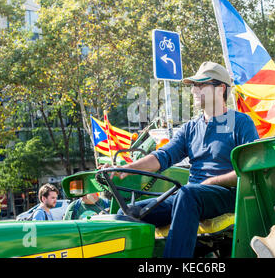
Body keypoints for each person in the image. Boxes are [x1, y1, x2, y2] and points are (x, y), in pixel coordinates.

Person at [102, 61, 259, 257]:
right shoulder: (190, 128)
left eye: (201, 85)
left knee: (187, 193)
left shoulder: (241, 123)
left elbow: (249, 168)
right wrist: (127, 168)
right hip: (190, 196)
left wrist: (211, 181)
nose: (194, 90)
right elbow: (163, 156)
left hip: (226, 194)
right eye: (193, 85)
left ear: (220, 89)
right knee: (129, 213)